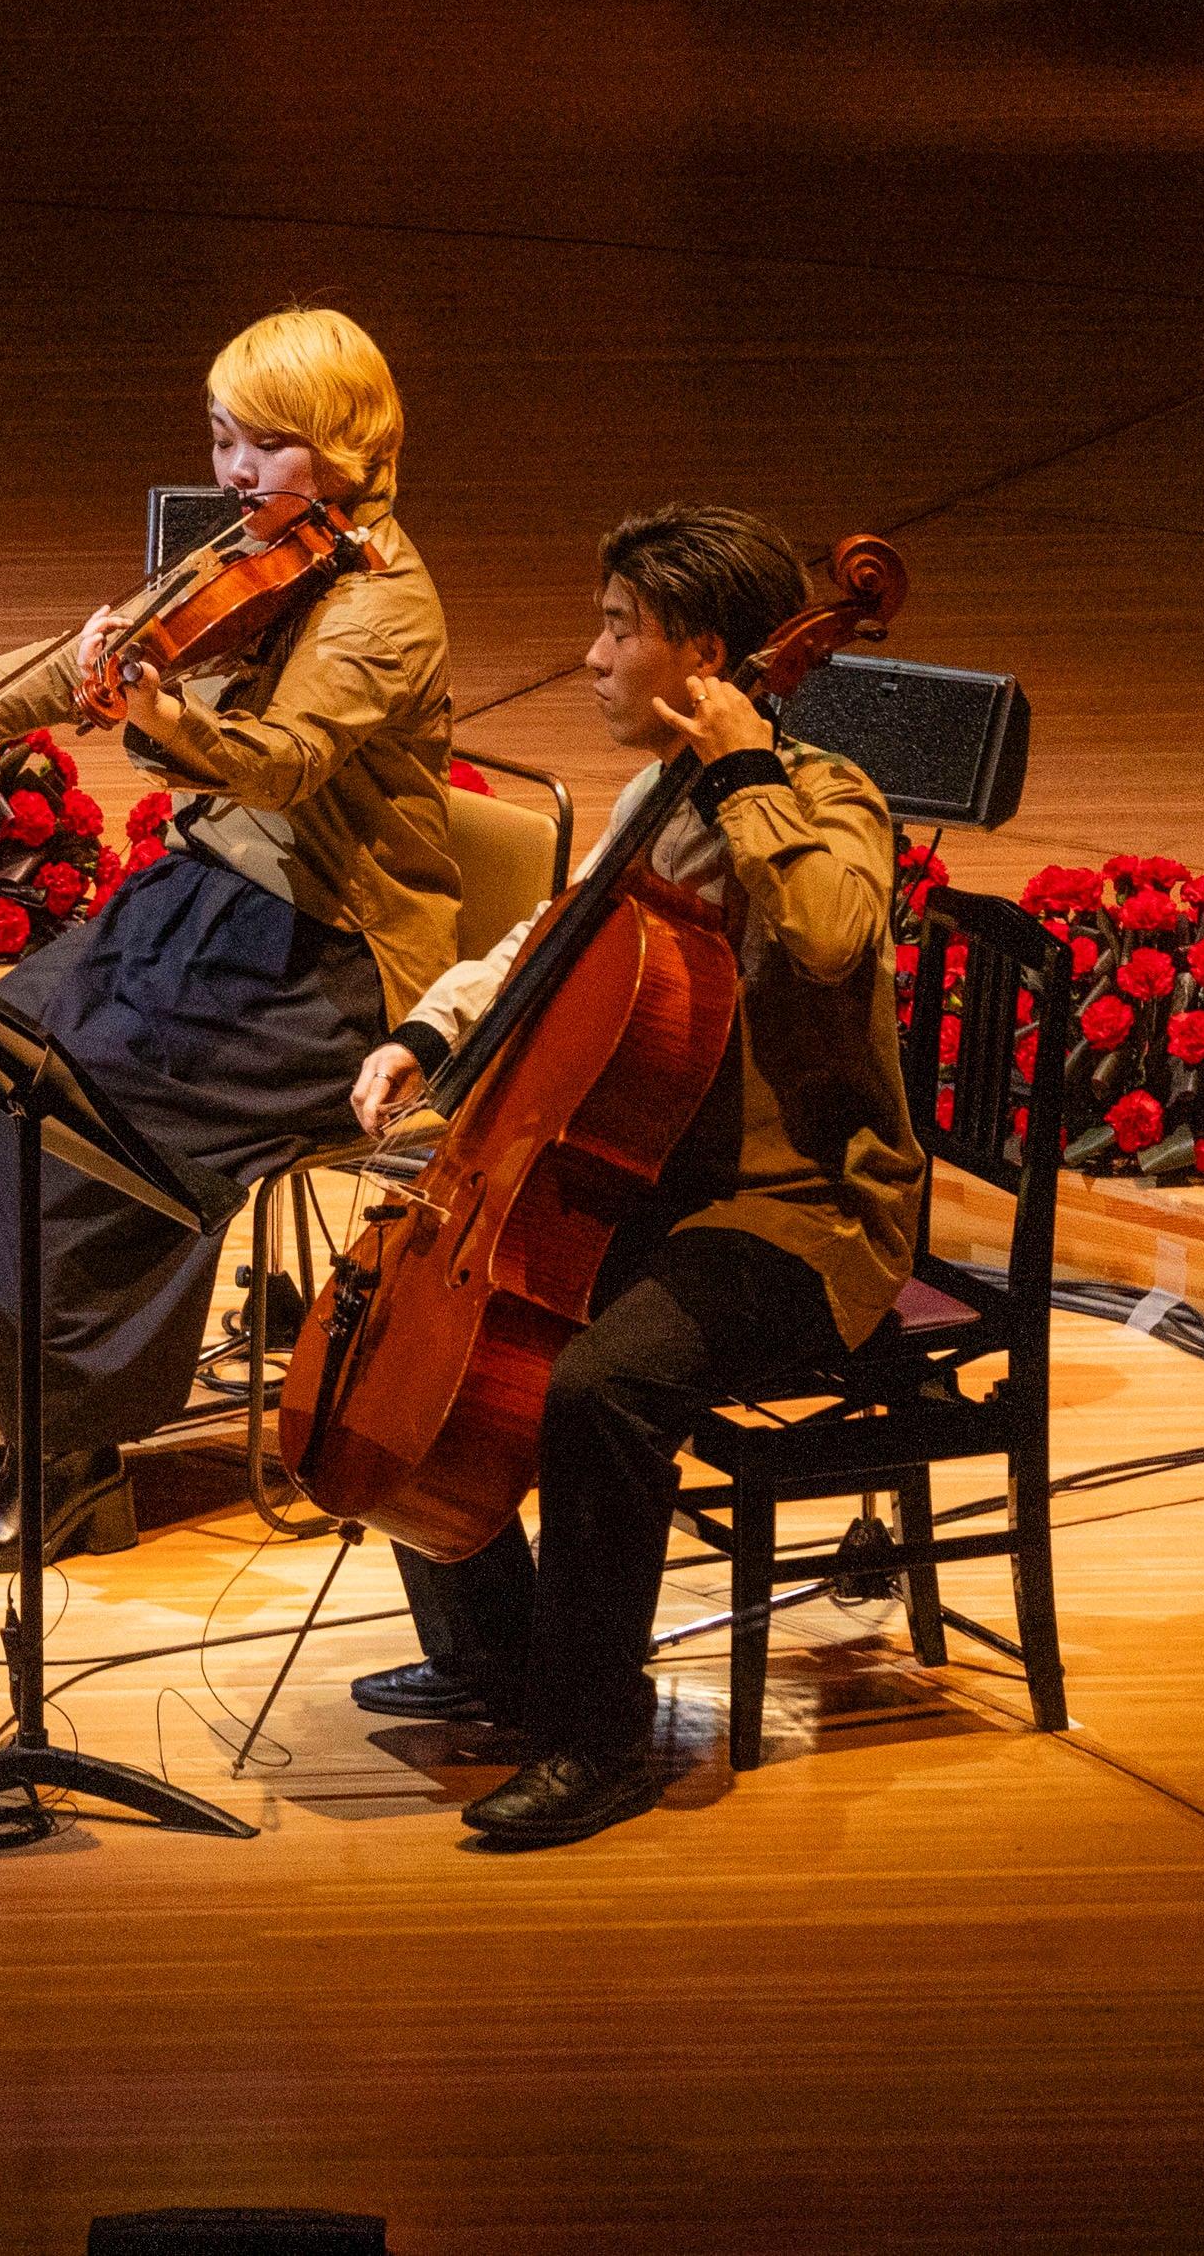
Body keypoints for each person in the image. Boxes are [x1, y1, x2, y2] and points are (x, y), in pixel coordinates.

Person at [0, 308, 461, 1576]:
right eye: (222, 440)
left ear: (348, 445)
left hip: (324, 956)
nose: (232, 473)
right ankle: (31, 1411)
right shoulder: (258, 548)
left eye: (264, 446)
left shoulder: (383, 608)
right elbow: (65, 666)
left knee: (83, 1125)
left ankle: (74, 1466)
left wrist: (159, 717)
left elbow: (282, 769)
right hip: (197, 907)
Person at [344, 502, 921, 1847]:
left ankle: (599, 1738)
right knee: (428, 1342)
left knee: (597, 1386)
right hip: (651, 1184)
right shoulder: (643, 802)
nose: (591, 657)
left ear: (708, 656)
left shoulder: (827, 799)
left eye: (619, 628)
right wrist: (429, 1031)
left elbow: (832, 936)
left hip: (797, 1217)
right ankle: (497, 1660)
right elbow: (551, 938)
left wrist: (742, 772)